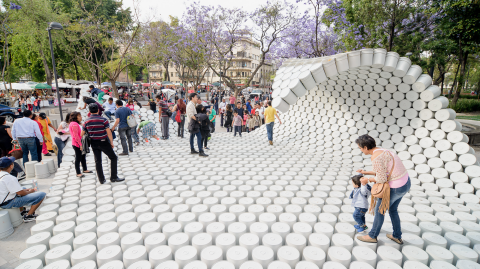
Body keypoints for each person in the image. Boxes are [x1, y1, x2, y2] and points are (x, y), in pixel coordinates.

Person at [355, 134, 411, 245]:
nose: (360, 150)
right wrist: (366, 172)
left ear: (365, 147)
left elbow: (381, 178)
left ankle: (372, 236)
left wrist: (368, 179)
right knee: (393, 210)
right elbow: (384, 170)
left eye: (360, 148)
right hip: (405, 183)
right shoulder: (383, 150)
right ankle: (397, 236)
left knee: (379, 211)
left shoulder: (375, 157)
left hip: (395, 187)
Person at [84, 103, 124, 184]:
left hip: (93, 143)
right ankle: (113, 177)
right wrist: (111, 142)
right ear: (98, 110)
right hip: (103, 142)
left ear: (89, 111)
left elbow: (82, 134)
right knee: (113, 158)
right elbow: (109, 133)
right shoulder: (103, 120)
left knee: (98, 161)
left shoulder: (86, 121)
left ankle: (101, 180)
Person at [0, 156, 46, 222]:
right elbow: (20, 193)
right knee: (41, 194)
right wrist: (30, 191)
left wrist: (25, 190)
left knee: (23, 188)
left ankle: (22, 211)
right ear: (11, 166)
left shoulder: (2, 175)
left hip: (2, 202)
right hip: (9, 203)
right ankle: (28, 216)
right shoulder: (10, 178)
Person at [69, 112, 92, 178]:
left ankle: (85, 169)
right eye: (79, 116)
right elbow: (76, 136)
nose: (81, 117)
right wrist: (80, 145)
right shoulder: (74, 124)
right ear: (75, 117)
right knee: (78, 158)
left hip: (79, 143)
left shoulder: (74, 123)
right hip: (77, 144)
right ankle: (78, 172)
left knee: (83, 157)